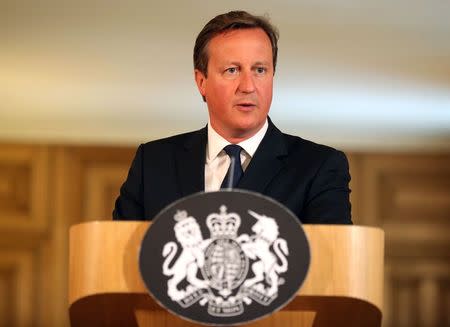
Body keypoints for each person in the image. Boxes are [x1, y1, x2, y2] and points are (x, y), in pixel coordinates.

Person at [113, 10, 352, 224]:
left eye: (260, 70)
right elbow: (116, 253)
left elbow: (332, 262)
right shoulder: (153, 163)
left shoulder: (319, 166)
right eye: (232, 70)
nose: (248, 86)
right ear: (201, 81)